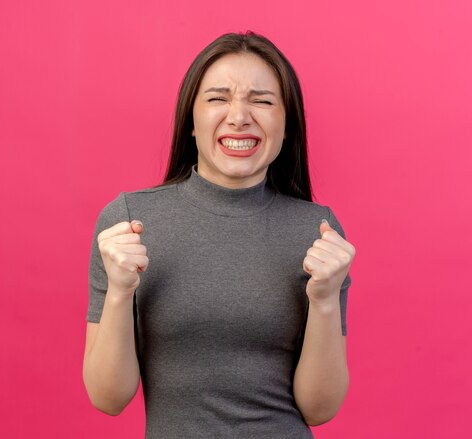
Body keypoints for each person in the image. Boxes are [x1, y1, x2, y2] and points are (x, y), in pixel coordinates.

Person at [82, 31, 356, 438]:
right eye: (218, 98)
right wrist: (122, 292)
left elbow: (319, 409)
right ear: (191, 121)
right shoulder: (128, 223)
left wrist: (325, 300)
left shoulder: (316, 232)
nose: (239, 116)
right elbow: (108, 398)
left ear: (287, 126)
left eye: (262, 101)